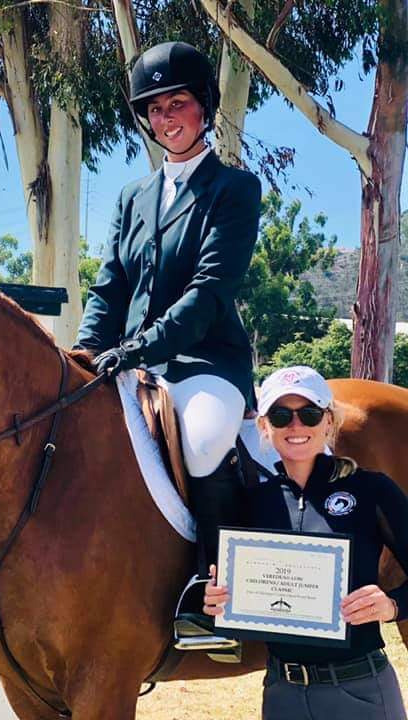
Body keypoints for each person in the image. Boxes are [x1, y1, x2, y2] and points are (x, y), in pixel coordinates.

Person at [73, 40, 263, 647]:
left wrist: (138, 347)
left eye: (176, 103)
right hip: (132, 364)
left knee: (205, 442)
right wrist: (85, 351)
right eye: (153, 109)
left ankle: (217, 597)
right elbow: (109, 284)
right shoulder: (133, 196)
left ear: (202, 107)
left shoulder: (234, 189)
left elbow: (210, 291)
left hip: (205, 363)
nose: (165, 119)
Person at [204, 365, 408, 719]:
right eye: (282, 416)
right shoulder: (254, 502)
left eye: (309, 414)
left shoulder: (373, 489)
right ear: (265, 428)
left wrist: (392, 606)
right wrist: (218, 599)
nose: (296, 426)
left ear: (329, 422)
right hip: (283, 695)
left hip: (360, 691)